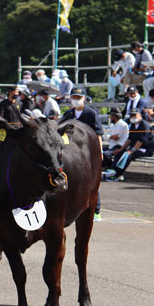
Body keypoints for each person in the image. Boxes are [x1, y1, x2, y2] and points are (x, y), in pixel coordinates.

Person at [60, 87, 104, 221]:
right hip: (72, 152)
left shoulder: (91, 113)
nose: (76, 100)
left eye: (79, 98)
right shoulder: (68, 114)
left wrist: (100, 152)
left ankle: (96, 210)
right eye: (74, 97)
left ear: (84, 98)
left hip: (88, 151)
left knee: (91, 180)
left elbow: (98, 134)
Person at [102, 108, 154, 182]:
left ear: (140, 116)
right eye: (131, 115)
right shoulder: (133, 125)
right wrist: (121, 149)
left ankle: (117, 175)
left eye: (134, 115)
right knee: (120, 152)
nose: (133, 117)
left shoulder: (145, 125)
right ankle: (113, 171)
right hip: (135, 147)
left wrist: (132, 150)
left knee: (128, 156)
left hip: (145, 149)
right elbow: (129, 139)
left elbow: (141, 141)